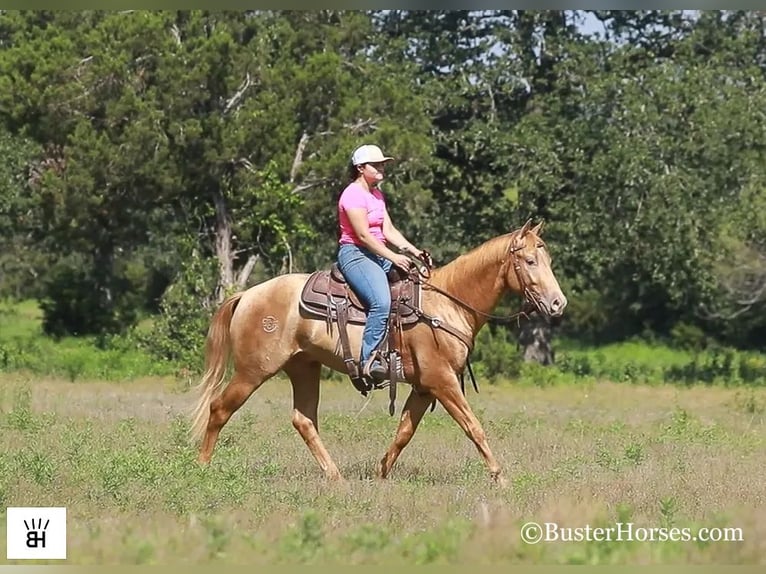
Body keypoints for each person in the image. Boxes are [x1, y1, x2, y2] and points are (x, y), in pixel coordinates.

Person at [336, 144, 427, 388]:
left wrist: (413, 251)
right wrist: (394, 257)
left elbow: (388, 230)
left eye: (382, 163)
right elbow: (364, 236)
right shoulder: (352, 195)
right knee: (381, 302)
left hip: (379, 253)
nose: (381, 167)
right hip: (356, 253)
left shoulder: (377, 194)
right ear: (360, 168)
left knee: (417, 287)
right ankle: (370, 360)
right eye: (376, 165)